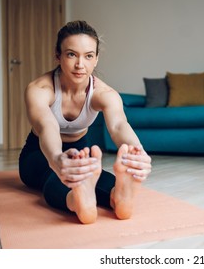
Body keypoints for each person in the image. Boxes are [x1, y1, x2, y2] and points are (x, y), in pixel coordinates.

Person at [19, 20, 152, 224]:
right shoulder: (39, 89)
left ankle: (117, 196)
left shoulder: (105, 94)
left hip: (81, 149)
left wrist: (137, 152)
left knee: (91, 175)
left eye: (88, 56)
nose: (80, 64)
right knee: (54, 174)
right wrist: (56, 159)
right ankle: (77, 198)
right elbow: (48, 126)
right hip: (39, 153)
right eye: (72, 54)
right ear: (58, 56)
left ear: (96, 59)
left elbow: (118, 126)